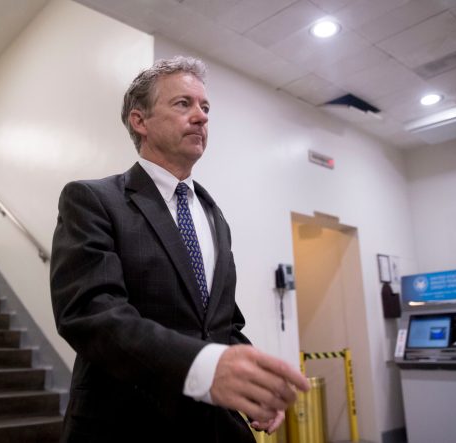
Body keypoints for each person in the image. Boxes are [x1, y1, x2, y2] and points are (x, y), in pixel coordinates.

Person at [50, 56, 308, 443]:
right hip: (125, 424)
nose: (202, 117)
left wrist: (255, 380)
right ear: (140, 121)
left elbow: (222, 323)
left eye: (205, 107)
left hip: (215, 427)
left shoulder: (214, 216)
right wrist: (205, 367)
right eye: (183, 104)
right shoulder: (93, 199)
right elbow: (90, 313)